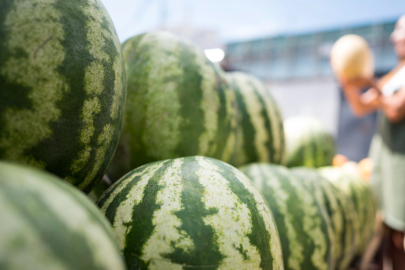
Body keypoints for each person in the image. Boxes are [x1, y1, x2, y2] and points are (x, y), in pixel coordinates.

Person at [340, 15, 405, 269]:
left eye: (401, 30)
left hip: (401, 167)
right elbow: (360, 106)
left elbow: (394, 110)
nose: (394, 36)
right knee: (386, 232)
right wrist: (347, 81)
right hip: (383, 165)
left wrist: (369, 82)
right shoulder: (395, 73)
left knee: (400, 236)